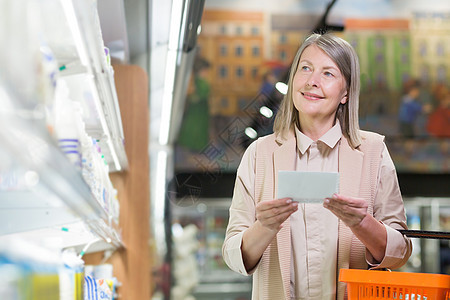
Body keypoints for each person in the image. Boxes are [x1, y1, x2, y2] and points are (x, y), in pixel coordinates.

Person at [222, 33, 412, 300]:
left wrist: (363, 224)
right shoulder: (259, 154)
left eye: (328, 73)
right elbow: (232, 255)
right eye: (306, 68)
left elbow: (400, 251)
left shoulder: (373, 151)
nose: (312, 81)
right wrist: (264, 226)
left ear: (345, 93)